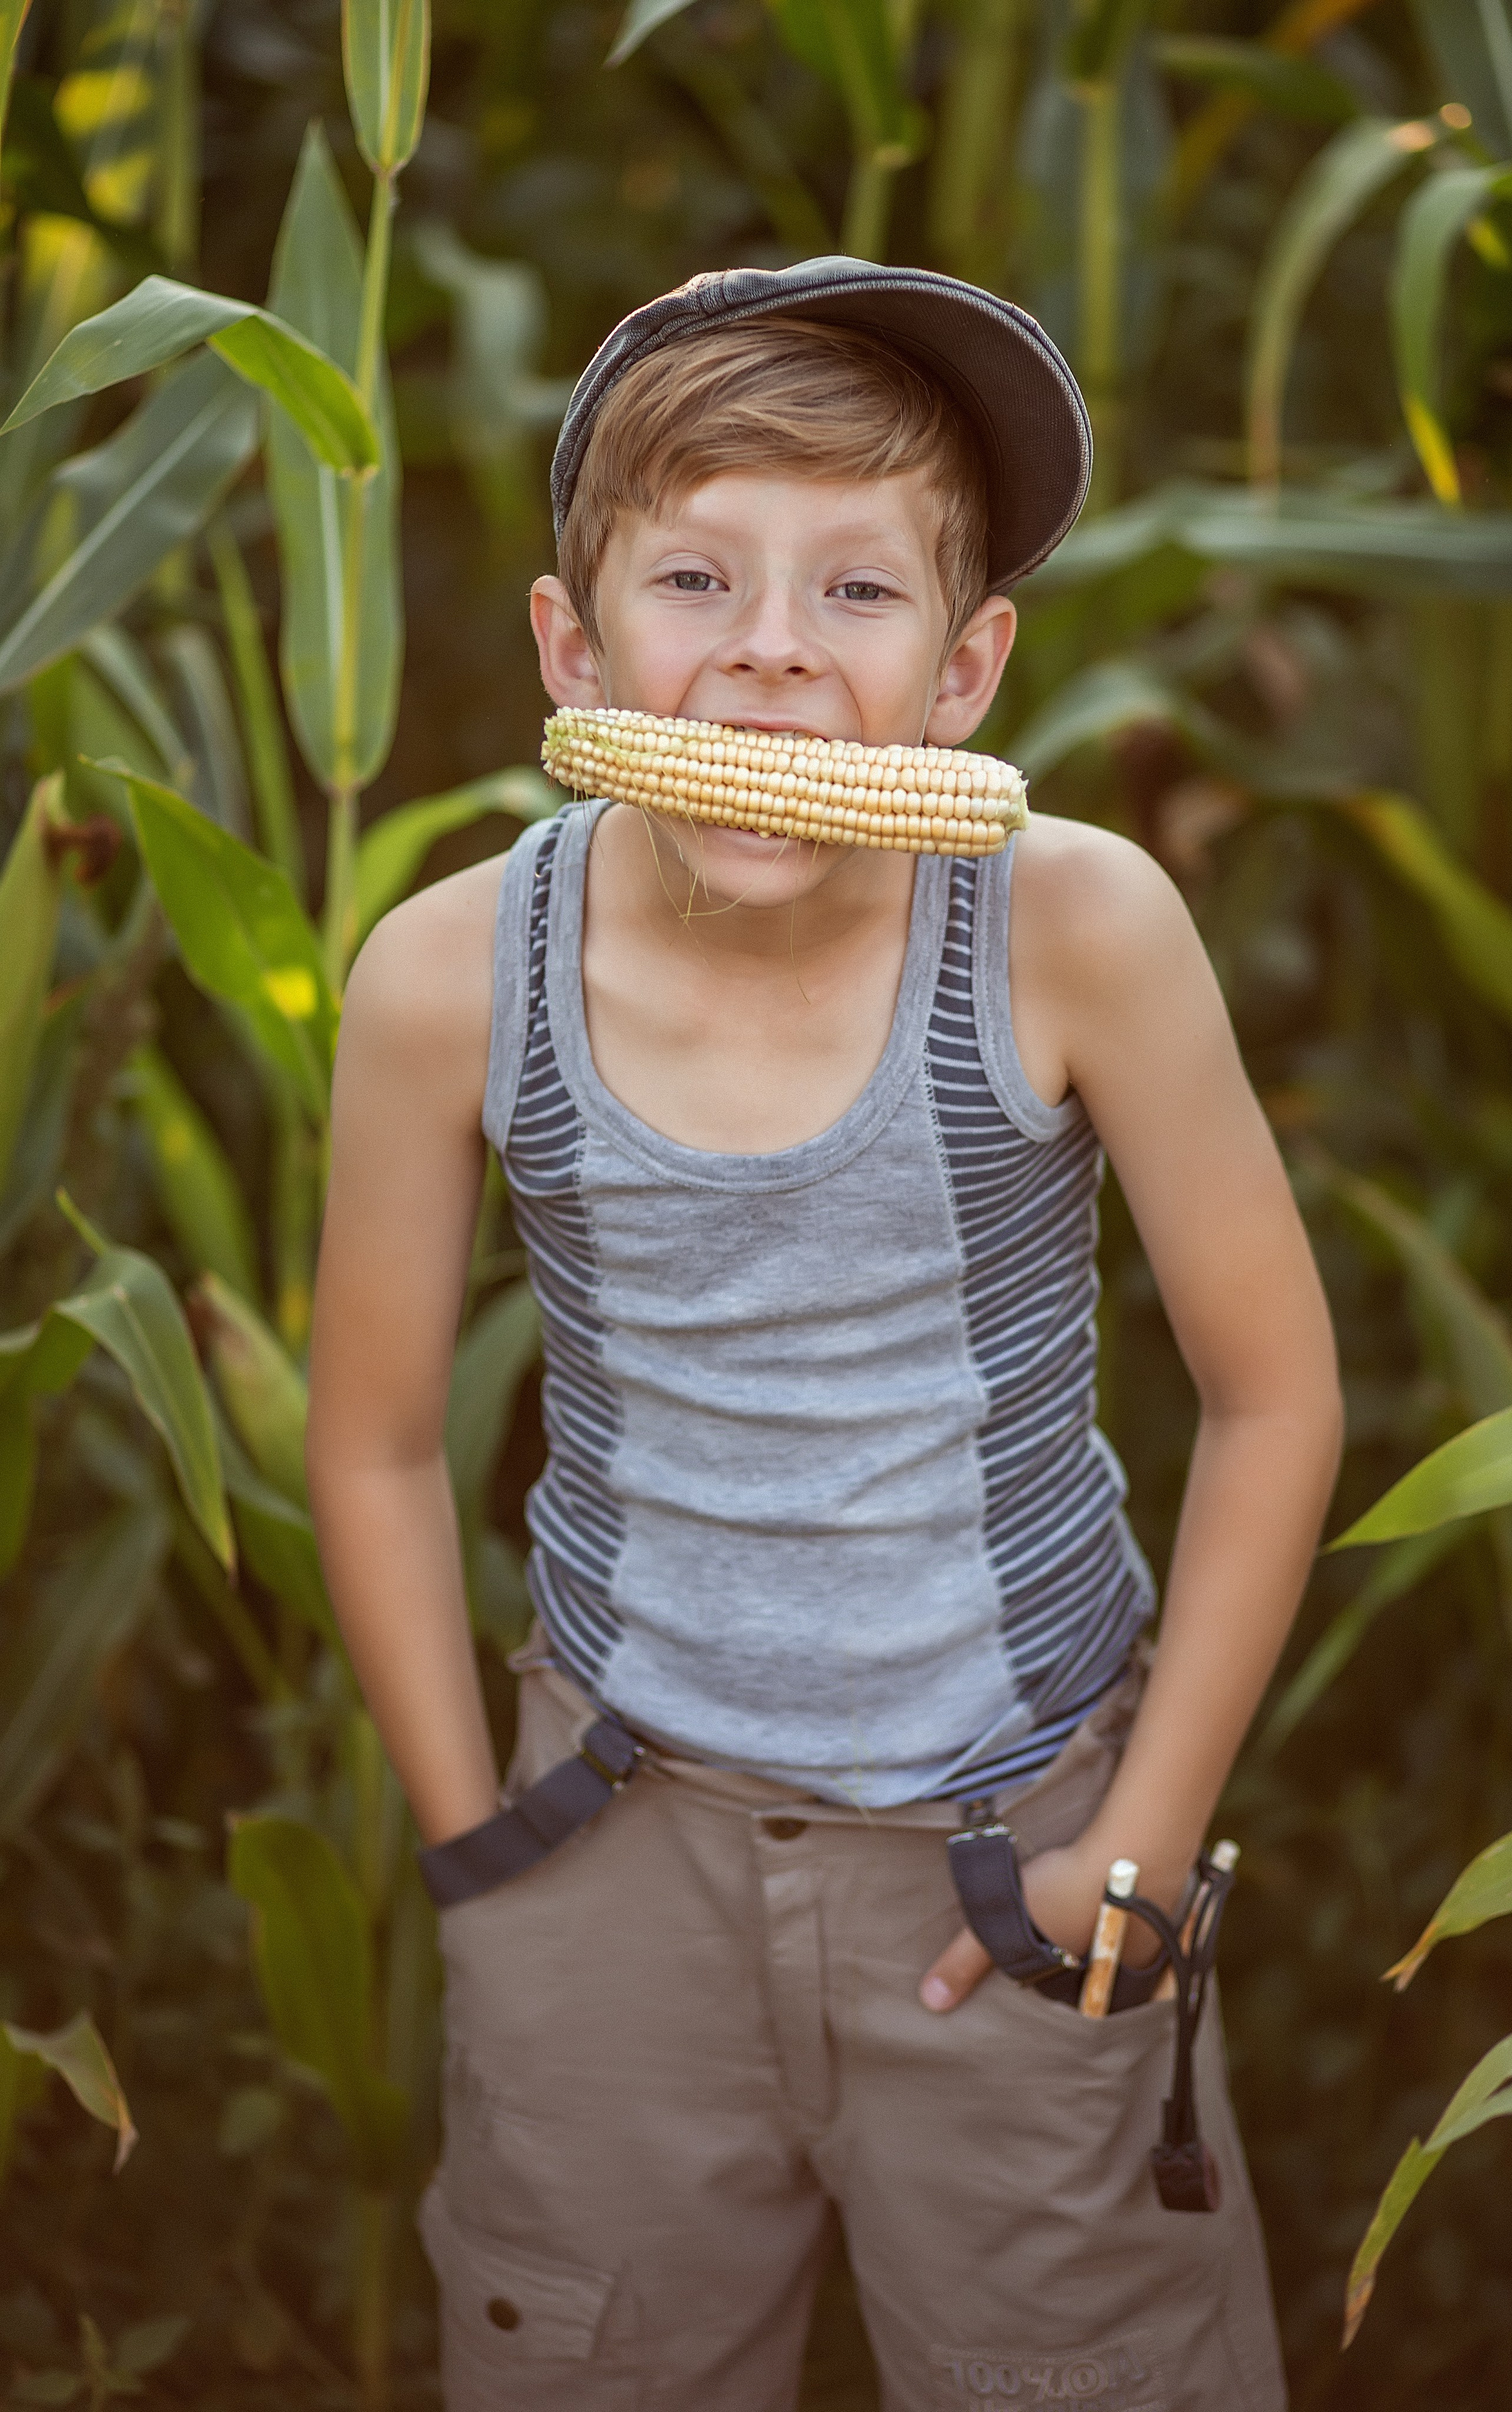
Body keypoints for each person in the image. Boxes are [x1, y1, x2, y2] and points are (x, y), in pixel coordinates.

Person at [306, 258, 1344, 2412]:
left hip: (1013, 1831)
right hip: (615, 1831)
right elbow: (379, 1439)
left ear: (967, 675)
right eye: (696, 575)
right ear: (572, 649)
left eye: (858, 596)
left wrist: (1138, 1850)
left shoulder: (1075, 930)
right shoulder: (445, 978)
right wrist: (477, 1857)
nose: (770, 649)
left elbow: (1273, 1394)